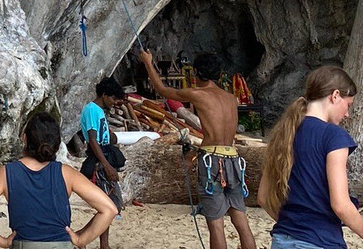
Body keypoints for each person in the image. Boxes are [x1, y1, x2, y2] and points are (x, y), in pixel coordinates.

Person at [140, 50, 257, 249]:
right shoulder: (231, 99)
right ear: (219, 74)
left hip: (211, 162)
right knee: (240, 219)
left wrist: (148, 63)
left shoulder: (196, 94)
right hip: (234, 160)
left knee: (216, 223)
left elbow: (161, 89)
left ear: (196, 73)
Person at [0, 112, 118, 249]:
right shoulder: (66, 173)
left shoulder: (6, 173)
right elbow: (109, 209)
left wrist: (3, 242)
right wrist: (80, 239)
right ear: (57, 145)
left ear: (24, 139)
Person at [258, 65, 363, 249]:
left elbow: (263, 198)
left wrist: (294, 225)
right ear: (335, 95)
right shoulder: (334, 136)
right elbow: (341, 204)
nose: (347, 114)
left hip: (282, 239)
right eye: (348, 105)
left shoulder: (283, 132)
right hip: (321, 241)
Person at [79, 77, 127, 249]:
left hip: (104, 157)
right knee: (110, 205)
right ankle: (84, 237)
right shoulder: (92, 110)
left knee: (110, 205)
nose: (114, 103)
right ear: (104, 95)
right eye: (113, 99)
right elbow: (93, 139)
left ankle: (100, 242)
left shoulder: (99, 112)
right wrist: (106, 166)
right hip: (100, 163)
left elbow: (108, 137)